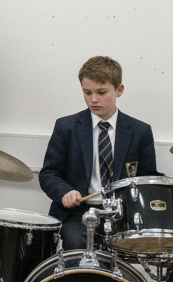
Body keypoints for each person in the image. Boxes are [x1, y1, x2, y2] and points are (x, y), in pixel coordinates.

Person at [39, 55, 158, 251]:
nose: (93, 99)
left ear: (119, 90)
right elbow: (49, 174)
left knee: (123, 250)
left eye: (101, 92)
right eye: (87, 92)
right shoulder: (66, 127)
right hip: (79, 212)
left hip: (121, 214)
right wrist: (65, 192)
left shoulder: (140, 131)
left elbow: (147, 178)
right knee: (76, 243)